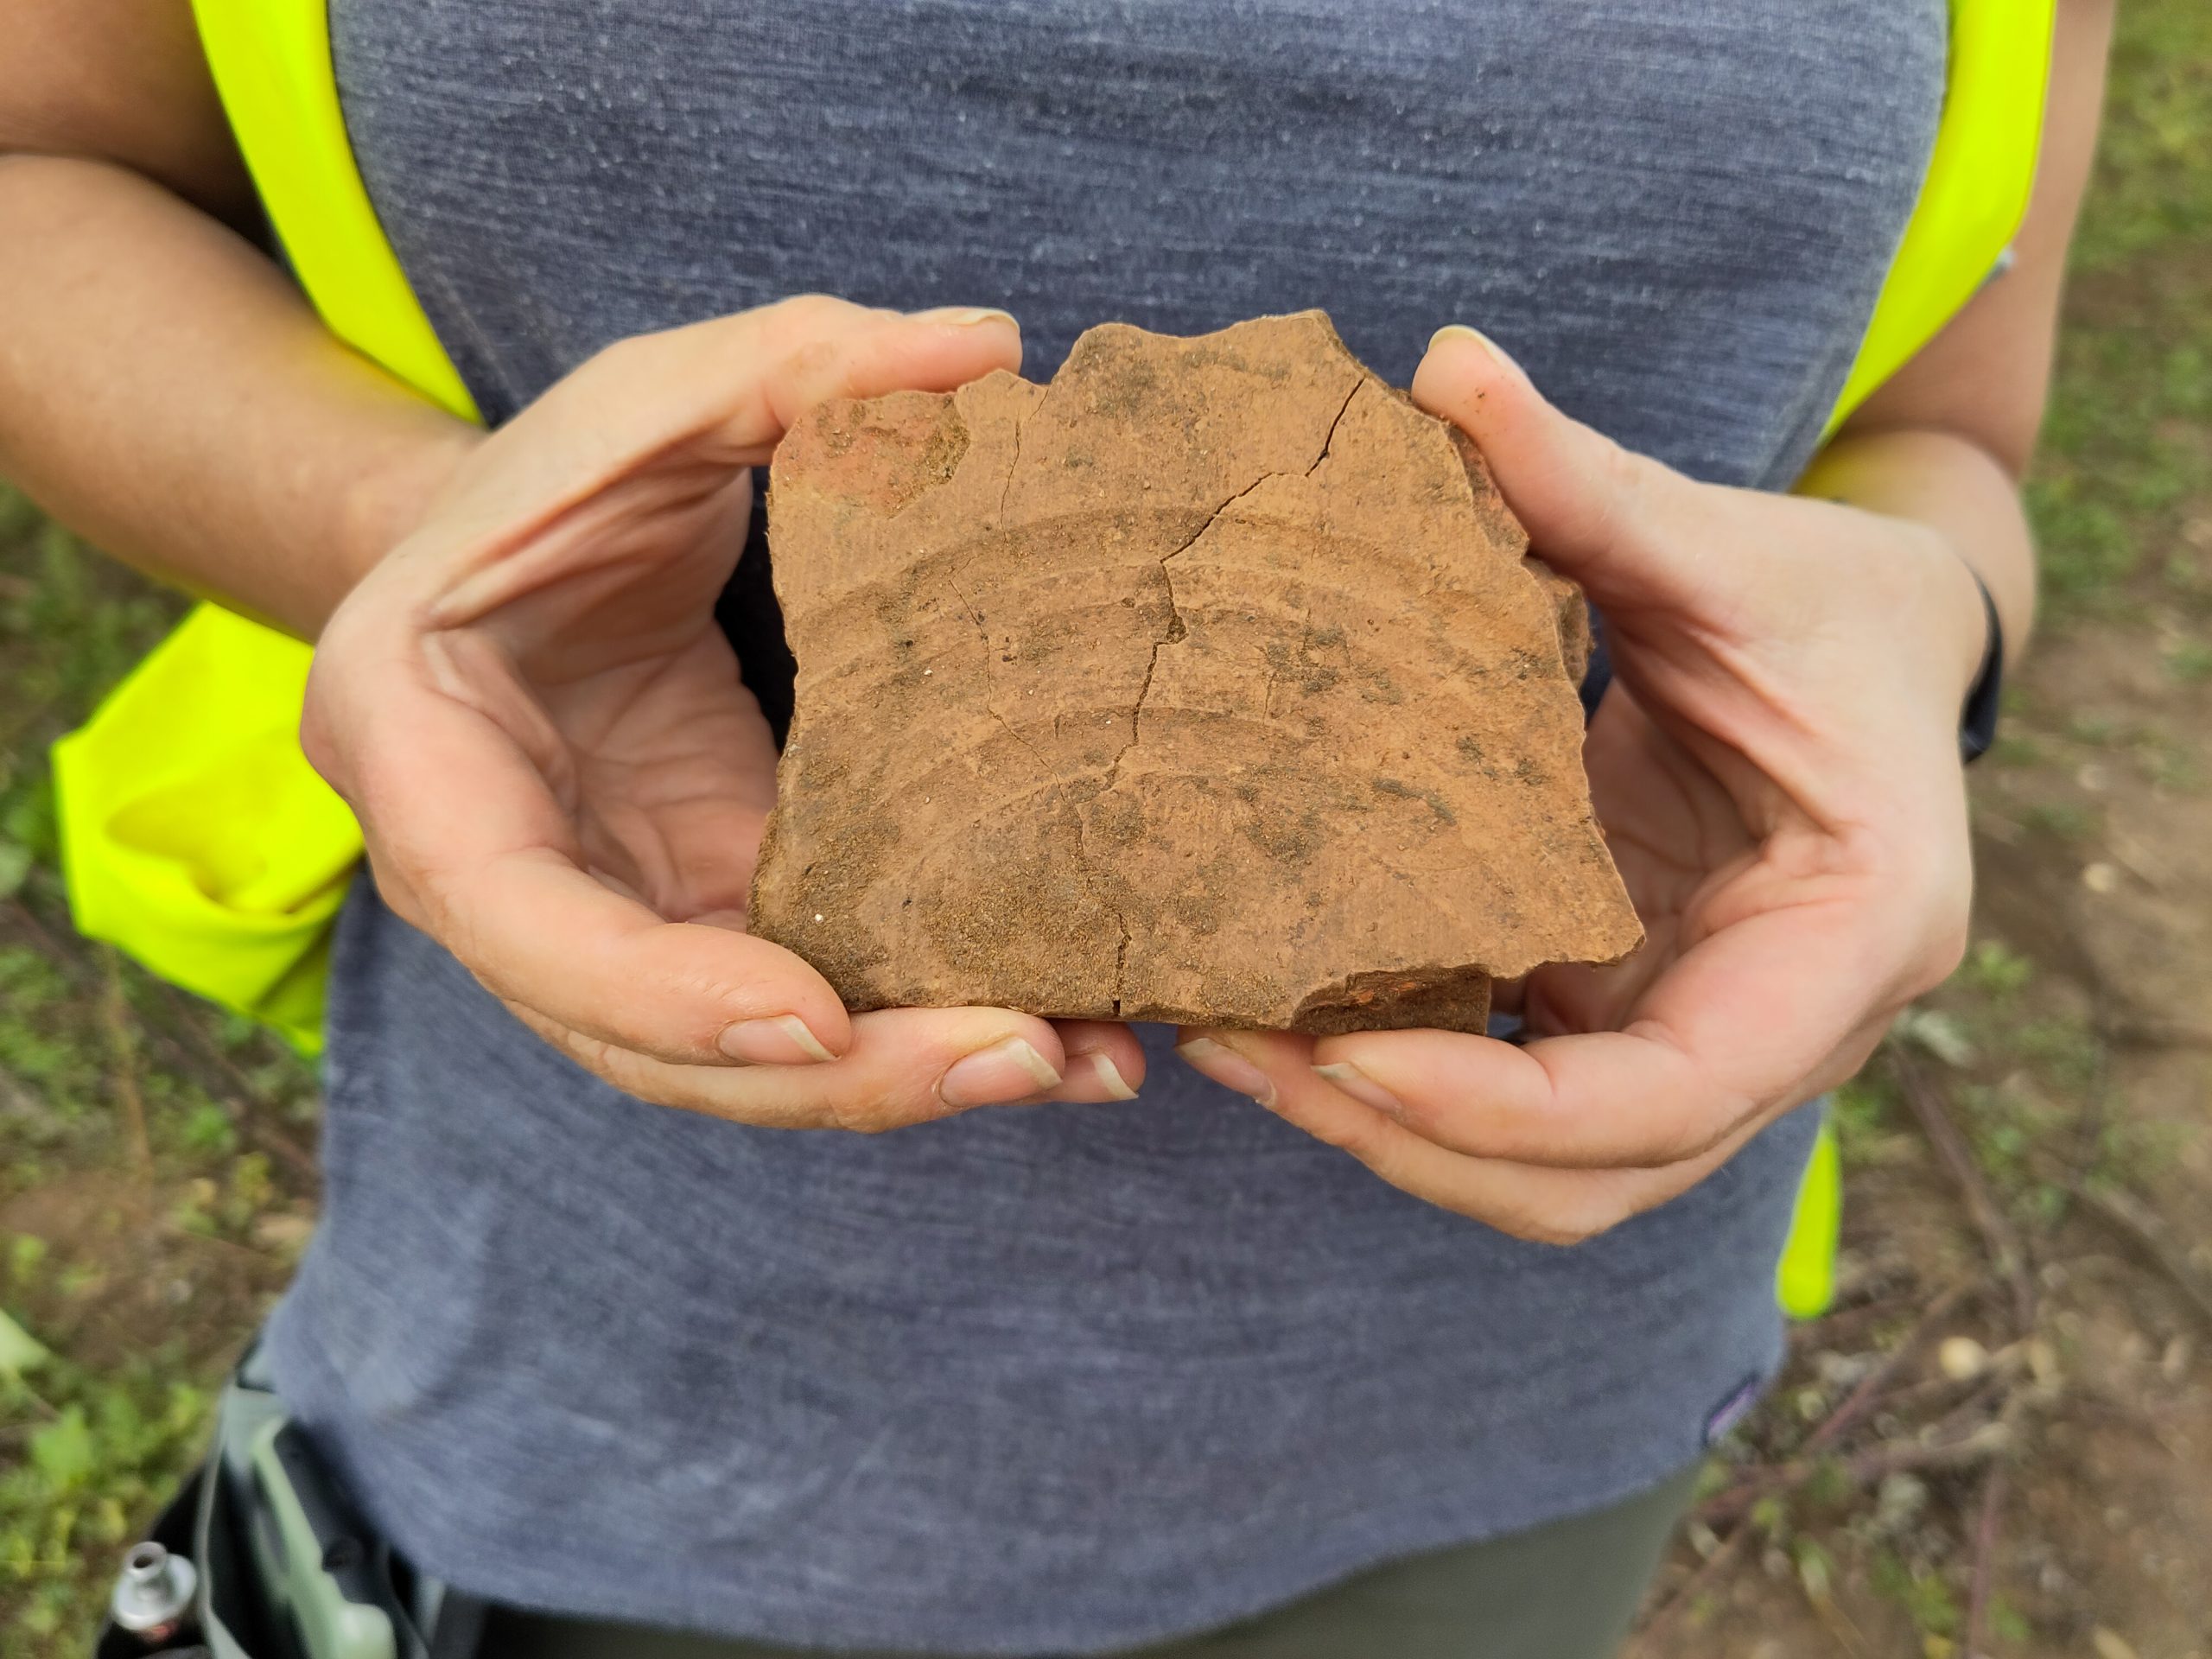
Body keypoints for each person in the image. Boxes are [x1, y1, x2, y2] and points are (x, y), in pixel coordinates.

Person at [0, 3, 2113, 1655]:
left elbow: (1942, 436)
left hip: (1529, 1378)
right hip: (613, 1364)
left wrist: (1924, 630)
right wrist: (416, 534)